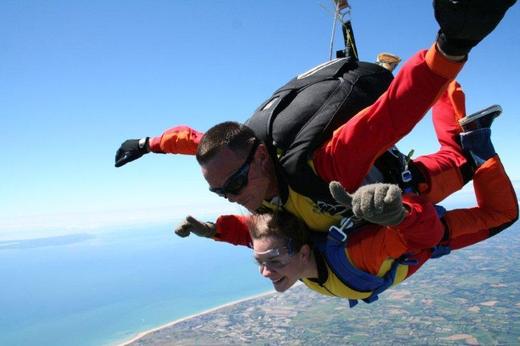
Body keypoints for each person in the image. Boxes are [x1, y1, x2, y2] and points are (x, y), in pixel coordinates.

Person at [114, 1, 516, 240]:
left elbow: (392, 114)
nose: (232, 198)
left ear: (258, 160)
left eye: (233, 186)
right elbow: (192, 141)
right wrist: (147, 143)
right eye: (221, 193)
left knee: (464, 160)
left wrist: (451, 45)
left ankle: (467, 124)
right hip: (372, 203)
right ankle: (454, 103)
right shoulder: (232, 156)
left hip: (419, 183)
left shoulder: (325, 164)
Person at [247, 110, 518, 304]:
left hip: (426, 225)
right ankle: (457, 104)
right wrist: (215, 231)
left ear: (305, 252)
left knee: (502, 212)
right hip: (409, 185)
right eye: (261, 262)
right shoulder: (291, 250)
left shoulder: (357, 256)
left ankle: (476, 137)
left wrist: (401, 216)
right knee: (459, 156)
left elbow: (421, 235)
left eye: (272, 261)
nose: (265, 272)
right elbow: (253, 236)